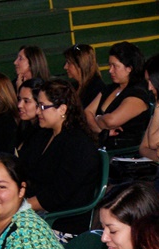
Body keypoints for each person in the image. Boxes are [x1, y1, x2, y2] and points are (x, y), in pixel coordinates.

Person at [19, 78, 100, 237]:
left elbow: (57, 195)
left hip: (60, 222)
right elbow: (25, 168)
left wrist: (18, 207)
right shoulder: (44, 135)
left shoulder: (79, 145)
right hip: (38, 211)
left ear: (62, 109)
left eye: (43, 106)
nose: (38, 112)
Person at [85, 41, 151, 150]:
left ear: (129, 68)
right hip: (101, 146)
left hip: (121, 152)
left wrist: (96, 118)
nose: (110, 70)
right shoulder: (111, 88)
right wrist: (101, 130)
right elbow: (87, 113)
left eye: (115, 66)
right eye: (109, 65)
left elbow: (111, 121)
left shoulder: (137, 94)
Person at [64, 43, 104, 110]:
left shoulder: (96, 89)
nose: (65, 67)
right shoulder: (72, 87)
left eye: (69, 63)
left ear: (80, 65)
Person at [15, 76, 44, 152]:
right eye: (19, 99)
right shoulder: (24, 127)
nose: (19, 105)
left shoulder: (43, 134)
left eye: (26, 101)